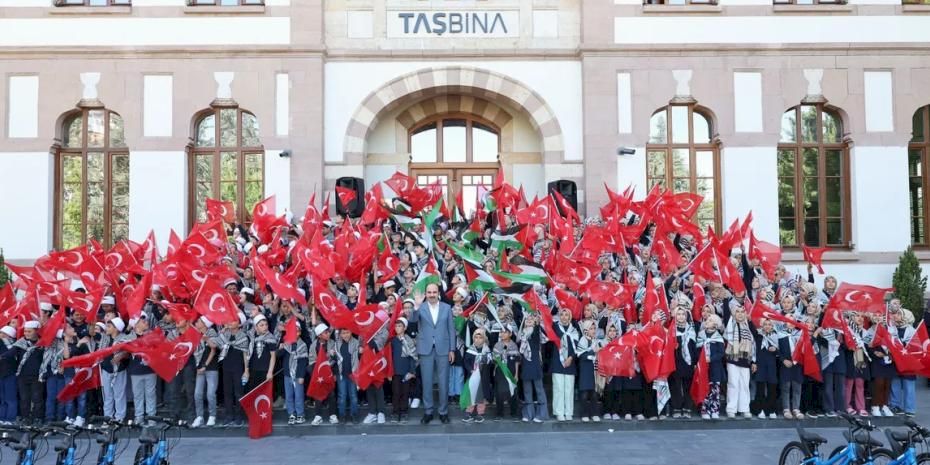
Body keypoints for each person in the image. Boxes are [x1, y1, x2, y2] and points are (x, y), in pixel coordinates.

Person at [409, 283, 456, 425]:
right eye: (429, 292)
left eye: (434, 292)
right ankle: (428, 411)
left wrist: (452, 349)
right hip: (425, 349)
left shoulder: (446, 308)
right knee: (427, 382)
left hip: (443, 348)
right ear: (426, 294)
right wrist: (416, 307)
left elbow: (451, 329)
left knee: (443, 382)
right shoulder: (420, 307)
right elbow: (412, 321)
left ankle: (443, 412)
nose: (432, 294)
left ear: (438, 293)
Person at [218, 314, 250, 427]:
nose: (231, 322)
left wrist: (246, 370)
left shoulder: (243, 337)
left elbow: (245, 354)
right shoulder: (224, 335)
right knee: (227, 392)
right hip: (226, 367)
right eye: (230, 320)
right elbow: (218, 345)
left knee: (238, 392)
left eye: (234, 320)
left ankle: (239, 416)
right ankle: (228, 415)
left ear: (239, 323)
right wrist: (222, 332)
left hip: (238, 368)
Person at [723, 306, 754, 419]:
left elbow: (754, 344)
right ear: (734, 314)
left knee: (744, 385)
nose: (740, 314)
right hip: (733, 358)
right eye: (737, 312)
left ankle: (744, 409)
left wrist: (754, 361)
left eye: (742, 312)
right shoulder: (730, 324)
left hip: (745, 359)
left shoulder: (748, 326)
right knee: (733, 384)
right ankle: (731, 409)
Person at [519, 313, 548, 423]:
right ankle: (528, 413)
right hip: (526, 364)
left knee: (539, 389)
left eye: (532, 319)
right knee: (527, 390)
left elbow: (539, 333)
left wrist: (537, 323)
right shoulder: (522, 334)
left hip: (535, 363)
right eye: (527, 319)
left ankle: (541, 414)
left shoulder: (537, 332)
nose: (529, 320)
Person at [127, 317, 157, 425]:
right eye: (143, 322)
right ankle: (139, 416)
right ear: (136, 325)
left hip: (150, 369)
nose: (146, 323)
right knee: (138, 395)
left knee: (151, 394)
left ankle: (151, 417)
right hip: (136, 370)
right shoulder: (129, 337)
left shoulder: (151, 336)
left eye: (146, 321)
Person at [550, 308, 579, 422]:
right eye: (562, 315)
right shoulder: (555, 327)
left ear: (570, 317)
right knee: (558, 388)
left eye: (566, 315)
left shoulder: (574, 330)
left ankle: (568, 412)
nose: (564, 317)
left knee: (569, 388)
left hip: (570, 362)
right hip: (557, 362)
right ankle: (559, 412)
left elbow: (576, 346)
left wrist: (571, 358)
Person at [99, 317, 128, 421]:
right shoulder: (104, 338)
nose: (106, 328)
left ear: (116, 328)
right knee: (107, 396)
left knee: (119, 395)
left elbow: (128, 352)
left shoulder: (124, 339)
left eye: (109, 326)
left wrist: (121, 355)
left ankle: (119, 418)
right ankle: (108, 418)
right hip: (106, 370)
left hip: (119, 370)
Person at [191, 317, 218, 428]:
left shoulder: (211, 332)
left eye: (198, 321)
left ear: (204, 323)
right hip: (199, 368)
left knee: (210, 393)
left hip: (211, 368)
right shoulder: (195, 333)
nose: (196, 323)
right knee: (197, 393)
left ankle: (212, 415)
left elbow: (214, 348)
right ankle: (199, 416)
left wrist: (206, 339)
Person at [461, 328, 492, 423]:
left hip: (483, 377)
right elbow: (466, 362)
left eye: (480, 338)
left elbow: (490, 362)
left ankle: (480, 413)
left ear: (484, 339)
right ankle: (469, 412)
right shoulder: (470, 350)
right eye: (476, 337)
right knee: (471, 393)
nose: (478, 340)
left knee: (481, 395)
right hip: (472, 376)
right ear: (473, 338)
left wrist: (484, 363)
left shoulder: (487, 350)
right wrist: (471, 369)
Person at [280, 321, 308, 425]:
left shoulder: (302, 345)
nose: (295, 333)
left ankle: (300, 414)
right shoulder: (286, 343)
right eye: (292, 331)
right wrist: (281, 347)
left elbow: (303, 362)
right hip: (287, 374)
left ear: (300, 333)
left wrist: (301, 376)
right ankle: (291, 413)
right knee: (289, 395)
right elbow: (279, 355)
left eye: (297, 331)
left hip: (297, 375)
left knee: (299, 395)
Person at [390, 318, 417, 423]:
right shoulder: (393, 341)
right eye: (396, 326)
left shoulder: (408, 340)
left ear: (405, 328)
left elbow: (413, 357)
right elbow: (389, 357)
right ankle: (395, 412)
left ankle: (404, 411)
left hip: (406, 372)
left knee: (405, 392)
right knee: (396, 392)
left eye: (400, 326)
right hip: (395, 371)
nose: (397, 328)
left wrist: (411, 371)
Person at [698, 314, 724, 420]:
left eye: (710, 320)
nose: (707, 321)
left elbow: (721, 353)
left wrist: (711, 358)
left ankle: (714, 410)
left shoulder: (718, 337)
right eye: (707, 320)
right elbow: (697, 350)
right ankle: (705, 410)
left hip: (715, 367)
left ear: (715, 324)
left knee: (715, 390)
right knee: (705, 388)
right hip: (704, 367)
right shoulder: (701, 335)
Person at [492, 323, 520, 421]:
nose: (502, 334)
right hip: (500, 371)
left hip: (511, 371)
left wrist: (516, 374)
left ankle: (514, 413)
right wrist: (495, 371)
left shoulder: (514, 345)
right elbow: (495, 360)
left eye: (505, 332)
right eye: (501, 332)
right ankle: (499, 414)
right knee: (499, 392)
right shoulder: (497, 345)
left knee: (513, 392)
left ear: (510, 334)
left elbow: (517, 361)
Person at [753, 318, 780, 419]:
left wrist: (776, 349)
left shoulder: (776, 337)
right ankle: (760, 409)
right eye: (765, 324)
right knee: (760, 388)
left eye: (769, 324)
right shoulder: (758, 336)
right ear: (762, 326)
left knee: (772, 388)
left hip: (772, 365)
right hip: (761, 364)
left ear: (773, 326)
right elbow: (754, 350)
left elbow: (781, 352)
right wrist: (754, 362)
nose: (767, 326)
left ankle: (771, 409)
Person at [576, 321, 601, 422]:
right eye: (591, 328)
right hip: (585, 369)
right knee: (584, 393)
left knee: (594, 394)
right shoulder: (582, 340)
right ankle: (584, 414)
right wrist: (592, 352)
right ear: (586, 329)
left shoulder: (596, 341)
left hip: (594, 370)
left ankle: (594, 413)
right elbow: (580, 355)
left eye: (594, 329)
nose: (593, 331)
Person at [334, 328, 360, 424]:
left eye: (347, 332)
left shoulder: (356, 343)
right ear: (340, 334)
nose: (345, 335)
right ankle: (342, 416)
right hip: (341, 374)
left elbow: (359, 358)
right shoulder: (337, 344)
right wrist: (332, 355)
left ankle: (354, 415)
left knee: (353, 396)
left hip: (352, 373)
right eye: (343, 333)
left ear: (351, 332)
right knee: (342, 396)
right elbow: (334, 359)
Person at [0, 326, 18, 424]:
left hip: (10, 374)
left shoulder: (15, 344)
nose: (1, 335)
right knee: (2, 398)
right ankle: (1, 418)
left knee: (10, 398)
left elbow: (12, 354)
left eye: (3, 333)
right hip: (1, 374)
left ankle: (10, 419)